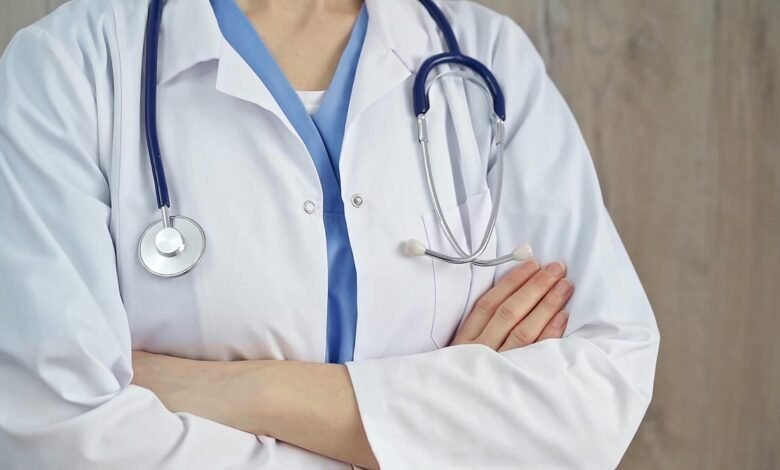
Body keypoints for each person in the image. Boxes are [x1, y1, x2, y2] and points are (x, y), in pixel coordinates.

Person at [0, 0, 659, 468]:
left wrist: (249, 391)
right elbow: (58, 433)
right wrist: (438, 442)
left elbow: (598, 390)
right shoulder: (68, 69)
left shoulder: (484, 59)